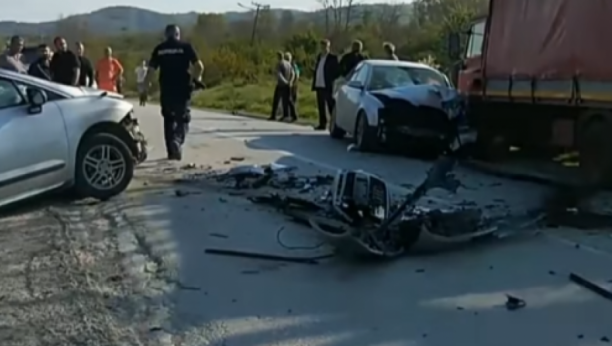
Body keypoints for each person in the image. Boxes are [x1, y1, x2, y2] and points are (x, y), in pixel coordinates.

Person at [144, 24, 204, 161]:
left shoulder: (159, 49)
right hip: (182, 89)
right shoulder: (185, 47)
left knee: (168, 119)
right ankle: (177, 140)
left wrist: (145, 89)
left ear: (166, 35)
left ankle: (171, 153)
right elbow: (199, 66)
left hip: (166, 89)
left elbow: (151, 71)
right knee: (183, 118)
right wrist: (196, 79)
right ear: (178, 34)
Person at [312, 39, 339, 130]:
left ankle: (335, 124)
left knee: (330, 105)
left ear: (328, 47)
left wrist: (331, 80)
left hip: (327, 85)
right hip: (319, 84)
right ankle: (322, 123)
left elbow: (336, 72)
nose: (323, 48)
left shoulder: (332, 58)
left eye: (325, 46)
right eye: (322, 46)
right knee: (321, 106)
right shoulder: (319, 57)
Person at [269, 51, 297, 122]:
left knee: (276, 100)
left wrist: (285, 82)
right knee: (288, 100)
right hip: (288, 85)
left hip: (281, 84)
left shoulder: (280, 64)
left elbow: (279, 74)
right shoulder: (289, 64)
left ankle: (273, 115)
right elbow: (293, 73)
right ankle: (293, 115)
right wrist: (290, 81)